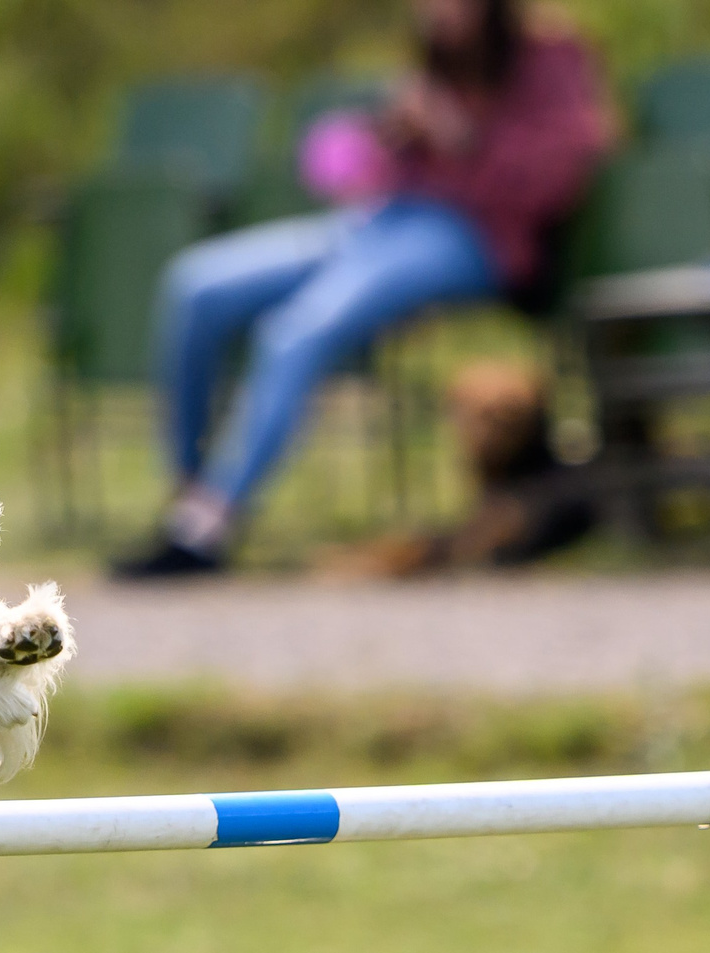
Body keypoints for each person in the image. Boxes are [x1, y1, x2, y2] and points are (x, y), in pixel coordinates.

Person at [114, 0, 612, 578]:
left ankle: (207, 529)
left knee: (296, 331)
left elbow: (561, 172)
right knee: (196, 284)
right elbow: (340, 166)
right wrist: (383, 139)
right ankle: (188, 500)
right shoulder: (437, 58)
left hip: (474, 234)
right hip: (383, 219)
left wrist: (462, 139)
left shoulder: (549, 54)